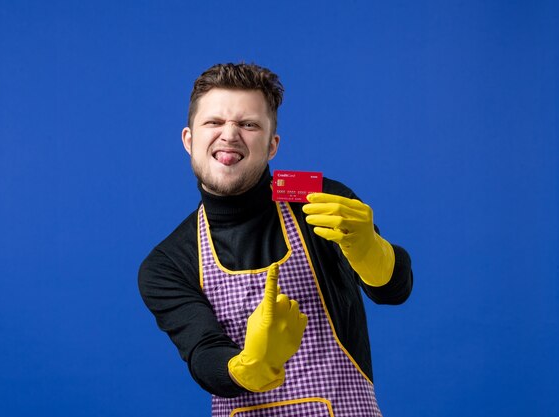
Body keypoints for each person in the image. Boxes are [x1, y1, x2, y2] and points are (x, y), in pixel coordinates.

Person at [138, 62, 413, 417]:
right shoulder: (168, 262)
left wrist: (372, 252)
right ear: (189, 141)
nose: (229, 135)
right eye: (214, 122)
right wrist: (250, 364)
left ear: (272, 146)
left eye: (248, 124)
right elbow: (203, 353)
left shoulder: (315, 197)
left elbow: (394, 290)